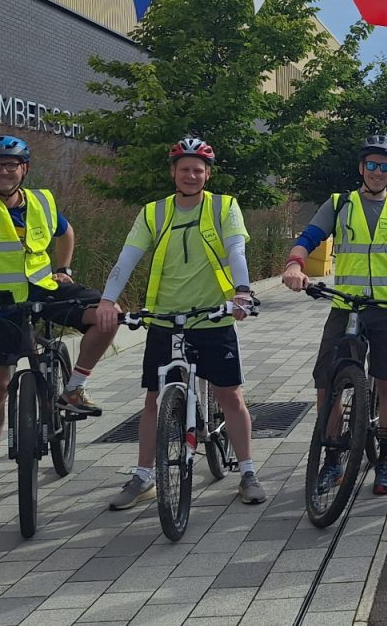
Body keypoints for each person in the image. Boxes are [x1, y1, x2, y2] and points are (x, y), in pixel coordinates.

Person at [0, 134, 113, 508]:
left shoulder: (41, 201)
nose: (3, 171)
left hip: (45, 290)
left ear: (25, 169)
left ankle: (74, 388)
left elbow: (66, 232)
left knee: (106, 315)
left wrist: (63, 268)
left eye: (11, 165)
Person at [95, 137, 264, 509]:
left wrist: (242, 292)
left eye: (198, 170)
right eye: (184, 169)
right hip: (166, 318)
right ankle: (143, 477)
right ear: (173, 172)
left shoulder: (224, 207)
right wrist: (107, 300)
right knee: (153, 399)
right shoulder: (153, 213)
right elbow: (127, 258)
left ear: (207, 175)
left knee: (230, 395)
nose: (191, 175)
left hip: (213, 317)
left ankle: (248, 472)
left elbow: (236, 250)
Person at [282, 134, 387, 496]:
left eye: (385, 166)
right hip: (346, 306)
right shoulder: (340, 204)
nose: (378, 171)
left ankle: (385, 459)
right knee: (327, 383)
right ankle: (332, 458)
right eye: (372, 164)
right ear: (361, 167)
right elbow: (309, 237)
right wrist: (294, 264)